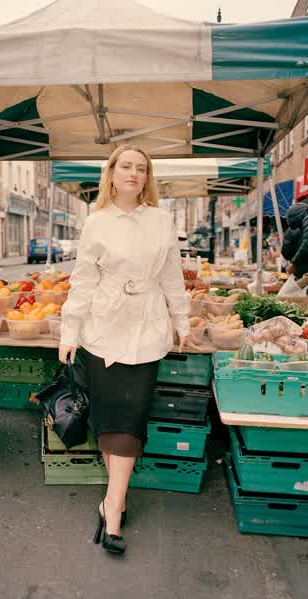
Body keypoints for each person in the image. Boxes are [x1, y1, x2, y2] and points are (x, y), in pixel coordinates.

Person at [59, 144, 195, 555]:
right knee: (109, 419)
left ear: (147, 177)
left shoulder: (161, 220)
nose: (134, 173)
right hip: (103, 330)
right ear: (112, 174)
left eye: (142, 168)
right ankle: (114, 500)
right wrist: (69, 331)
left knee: (130, 419)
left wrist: (183, 322)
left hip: (147, 330)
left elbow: (172, 276)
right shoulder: (97, 222)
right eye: (127, 167)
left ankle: (113, 506)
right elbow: (83, 280)